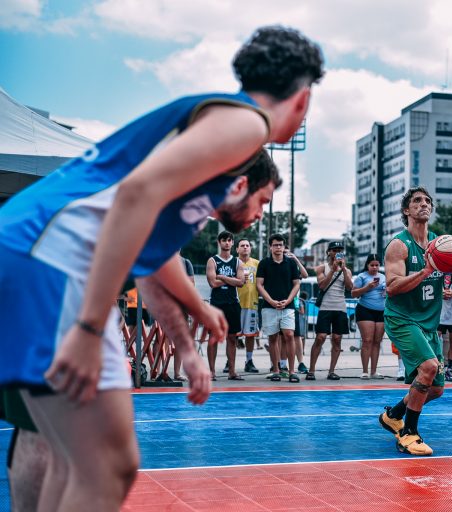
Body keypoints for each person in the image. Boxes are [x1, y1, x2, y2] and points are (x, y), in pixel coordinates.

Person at [0, 25, 321, 511]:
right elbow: (134, 195)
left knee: (78, 460)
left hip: (36, 249)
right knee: (107, 463)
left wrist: (194, 321)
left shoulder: (210, 145)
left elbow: (151, 253)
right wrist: (89, 328)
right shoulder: (246, 124)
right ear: (303, 97)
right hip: (51, 257)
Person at [378, 187, 452, 456]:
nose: (424, 204)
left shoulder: (441, 244)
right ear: (406, 210)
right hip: (402, 319)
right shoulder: (399, 245)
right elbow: (392, 287)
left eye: (427, 201)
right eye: (417, 201)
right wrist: (427, 270)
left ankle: (393, 415)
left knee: (436, 389)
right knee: (429, 367)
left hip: (429, 323)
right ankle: (408, 434)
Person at [255, 234, 302, 383]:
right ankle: (276, 370)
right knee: (273, 338)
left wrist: (288, 300)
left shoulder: (291, 263)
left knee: (289, 335)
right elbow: (259, 285)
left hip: (288, 306)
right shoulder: (264, 263)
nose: (278, 247)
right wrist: (271, 301)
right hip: (269, 306)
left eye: (280, 245)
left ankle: (291, 371)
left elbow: (297, 284)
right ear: (270, 247)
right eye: (275, 245)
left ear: (284, 246)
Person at [307, 241, 353, 380]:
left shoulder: (347, 270)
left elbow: (349, 287)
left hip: (340, 307)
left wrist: (343, 270)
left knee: (337, 339)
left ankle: (331, 371)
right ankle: (311, 370)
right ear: (329, 252)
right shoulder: (322, 268)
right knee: (320, 337)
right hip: (326, 307)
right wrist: (332, 270)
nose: (337, 252)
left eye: (340, 250)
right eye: (334, 250)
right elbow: (322, 285)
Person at [207, 231, 245, 380]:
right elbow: (212, 283)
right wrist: (232, 279)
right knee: (213, 337)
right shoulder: (212, 261)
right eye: (224, 240)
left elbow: (241, 282)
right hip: (216, 304)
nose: (227, 243)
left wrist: (222, 276)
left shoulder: (238, 262)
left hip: (232, 303)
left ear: (232, 243)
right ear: (219, 242)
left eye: (229, 240)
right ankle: (212, 371)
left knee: (232, 338)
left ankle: (232, 371)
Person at [352, 254, 387, 379]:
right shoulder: (361, 277)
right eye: (372, 265)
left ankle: (374, 371)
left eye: (377, 265)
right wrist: (367, 287)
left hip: (381, 310)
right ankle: (365, 371)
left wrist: (386, 291)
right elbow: (353, 293)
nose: (374, 267)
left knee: (377, 341)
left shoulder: (383, 277)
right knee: (367, 340)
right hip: (365, 310)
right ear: (367, 265)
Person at [236, 238, 261, 374]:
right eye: (242, 245)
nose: (245, 247)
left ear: (250, 248)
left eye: (247, 245)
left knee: (250, 335)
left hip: (252, 303)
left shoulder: (257, 263)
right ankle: (230, 361)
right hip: (235, 304)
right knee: (232, 335)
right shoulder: (233, 262)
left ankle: (249, 360)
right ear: (237, 249)